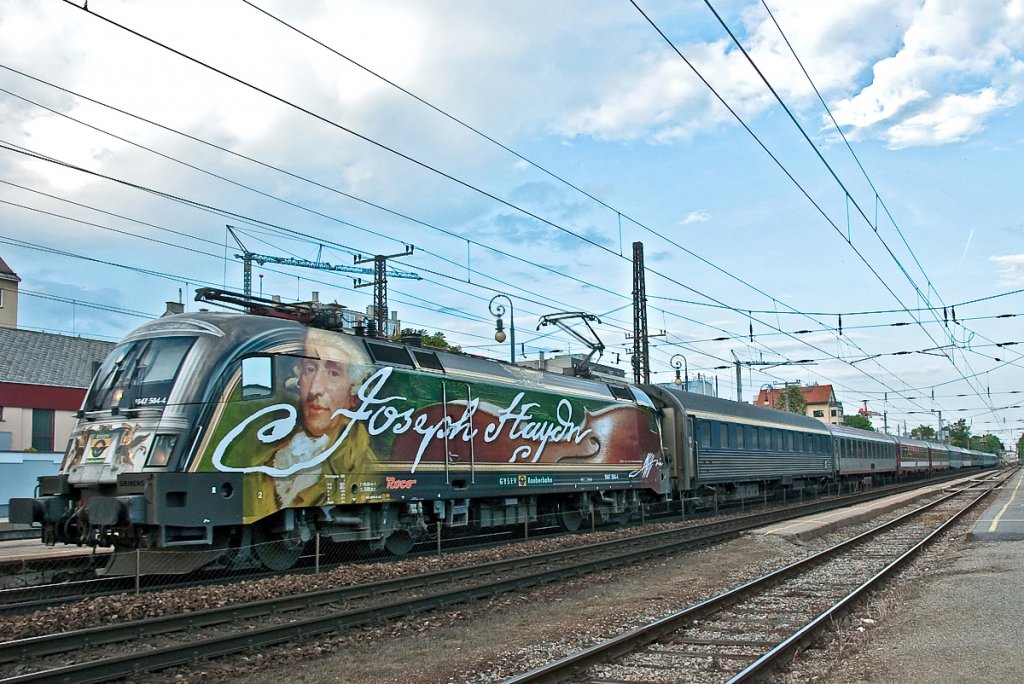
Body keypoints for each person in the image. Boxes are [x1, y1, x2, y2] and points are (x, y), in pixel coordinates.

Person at [248, 327, 379, 518]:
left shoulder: (364, 465)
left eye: (333, 373)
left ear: (354, 394)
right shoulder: (266, 460)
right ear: (298, 379)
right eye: (309, 370)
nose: (315, 389)